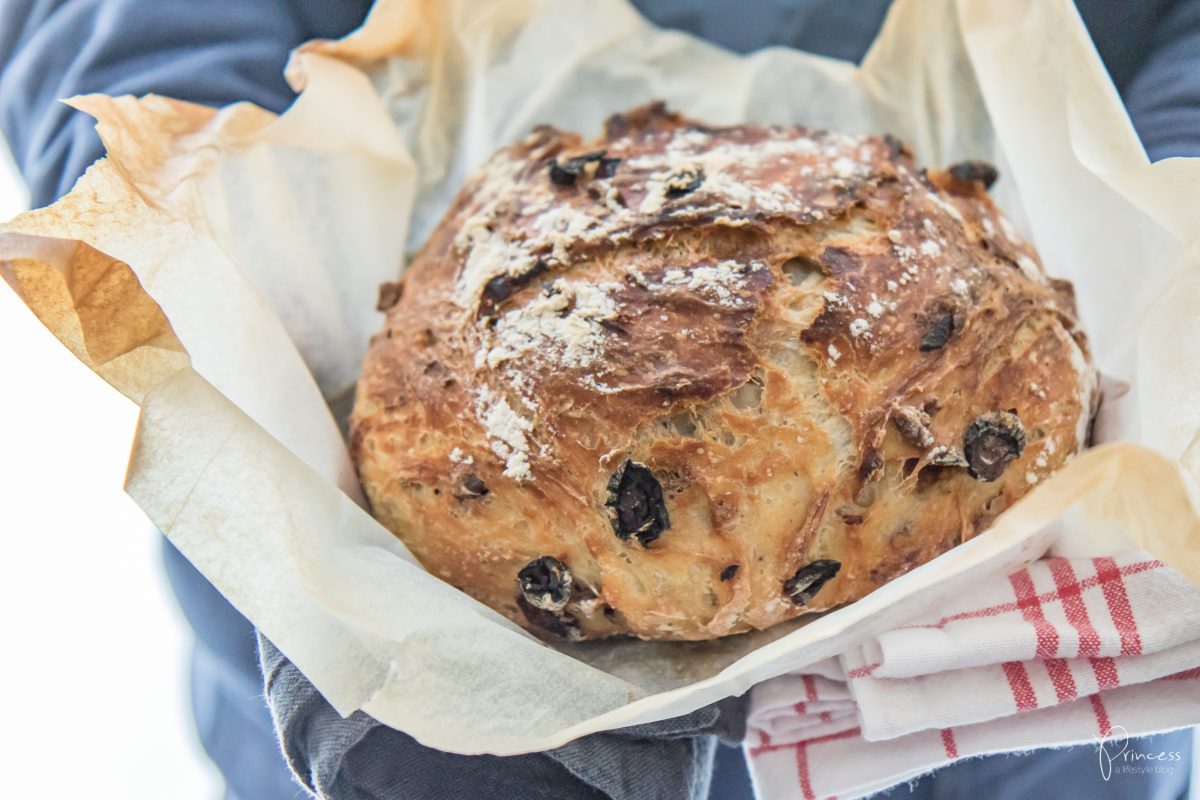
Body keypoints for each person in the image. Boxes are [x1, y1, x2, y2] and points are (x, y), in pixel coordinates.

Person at [1, 2, 1195, 799]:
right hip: (364, 647)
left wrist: (1166, 226)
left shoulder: (983, 351)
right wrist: (228, 254)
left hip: (1023, 712)